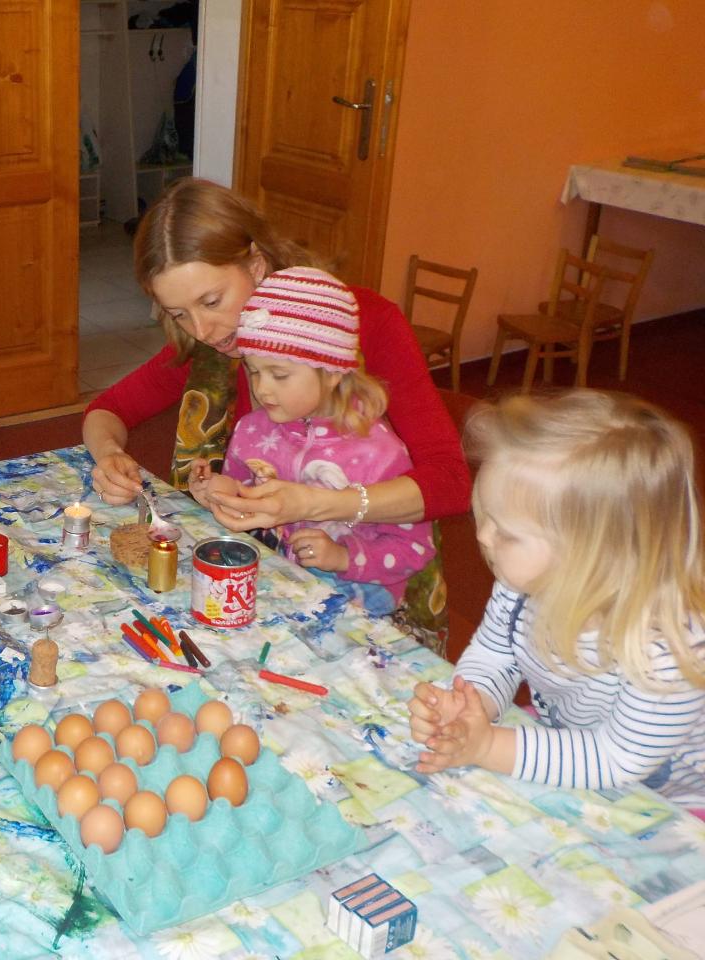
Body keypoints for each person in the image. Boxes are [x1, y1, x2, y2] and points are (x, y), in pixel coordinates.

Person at [84, 178, 469, 650]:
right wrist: (109, 455)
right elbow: (107, 410)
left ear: (257, 264)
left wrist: (313, 503)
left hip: (373, 597)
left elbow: (450, 482)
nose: (202, 329)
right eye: (178, 313)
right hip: (271, 587)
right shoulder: (211, 346)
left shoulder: (363, 323)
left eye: (211, 301)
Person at [408, 390, 705, 804]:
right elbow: (496, 654)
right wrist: (470, 705)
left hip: (672, 800)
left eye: (506, 532)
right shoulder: (523, 586)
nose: (483, 536)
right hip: (574, 742)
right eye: (485, 515)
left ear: (594, 554)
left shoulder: (667, 648)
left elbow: (618, 759)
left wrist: (488, 745)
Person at [190, 267, 435, 616]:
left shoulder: (379, 452)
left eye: (279, 375)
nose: (262, 389)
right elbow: (246, 496)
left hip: (358, 597)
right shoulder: (252, 430)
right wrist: (221, 491)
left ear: (332, 372)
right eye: (254, 371)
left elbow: (414, 549)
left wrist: (343, 557)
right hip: (279, 581)